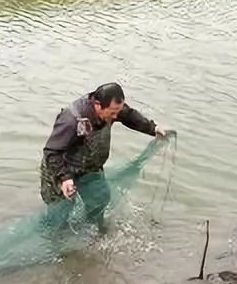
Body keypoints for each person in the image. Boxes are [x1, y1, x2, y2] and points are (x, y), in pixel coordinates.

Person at [39, 82, 167, 232]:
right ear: (98, 105)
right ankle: (60, 246)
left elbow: (128, 115)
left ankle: (94, 233)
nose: (115, 116)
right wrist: (65, 178)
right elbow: (52, 152)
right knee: (59, 216)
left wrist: (153, 128)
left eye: (117, 112)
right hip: (60, 168)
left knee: (100, 200)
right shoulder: (72, 119)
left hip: (89, 167)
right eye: (112, 113)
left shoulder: (113, 109)